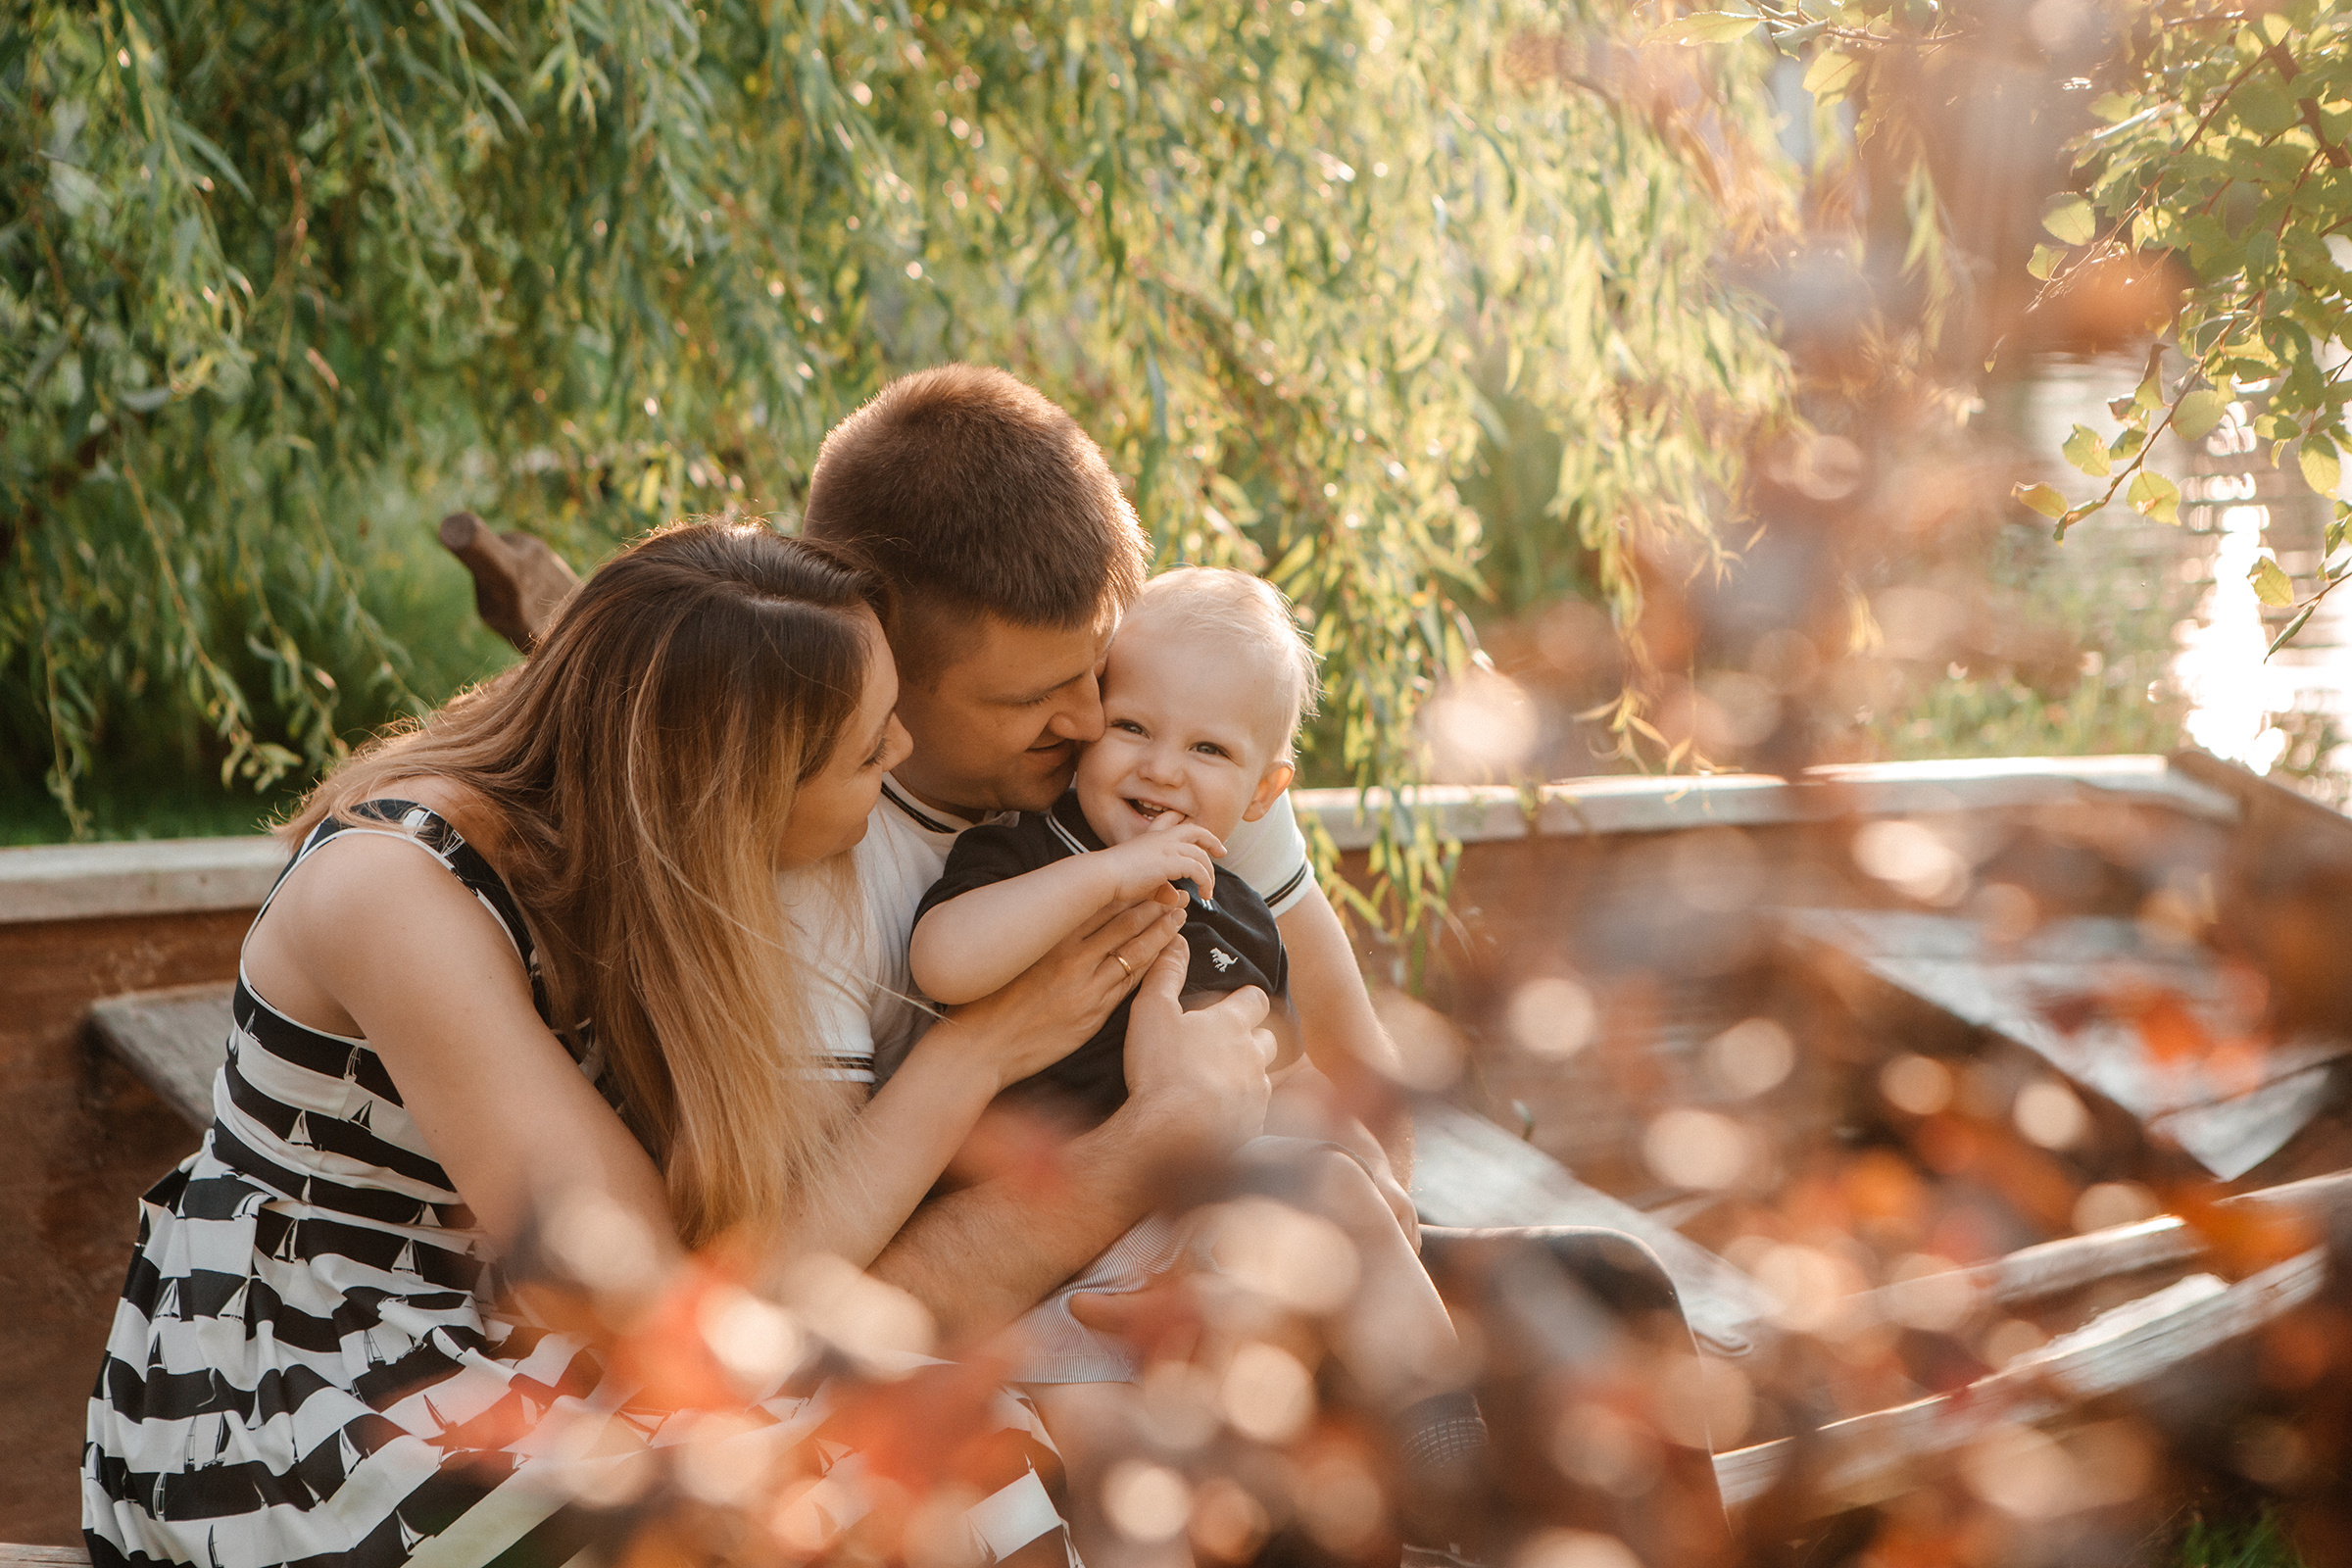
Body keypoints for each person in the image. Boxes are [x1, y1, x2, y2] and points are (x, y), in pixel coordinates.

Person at [80, 520, 1275, 1567]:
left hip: (506, 1339)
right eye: (870, 749)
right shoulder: (398, 892)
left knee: (954, 1439)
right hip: (307, 1398)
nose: (902, 759)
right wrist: (984, 1050)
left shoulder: (662, 868)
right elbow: (664, 1322)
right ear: (739, 784)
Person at [793, 367, 1417, 1355]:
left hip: (1225, 1232)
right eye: (1038, 696)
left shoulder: (1173, 754)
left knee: (1606, 1284)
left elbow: (1341, 1056)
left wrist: (1370, 1201)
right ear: (890, 672)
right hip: (1012, 1283)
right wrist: (1173, 1131)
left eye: (1096, 671)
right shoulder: (825, 869)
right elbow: (810, 1295)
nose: (1092, 724)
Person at [907, 565, 1489, 1562]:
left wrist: (1336, 1145)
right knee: (1127, 1484)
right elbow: (944, 959)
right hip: (1039, 1249)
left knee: (1345, 1188)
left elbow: (1278, 1071)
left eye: (1208, 748)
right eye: (1133, 726)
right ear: (1089, 720)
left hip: (1190, 1234)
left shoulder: (1241, 913)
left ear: (1264, 789)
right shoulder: (1027, 853)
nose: (1163, 768)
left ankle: (1449, 1464)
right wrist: (1112, 873)